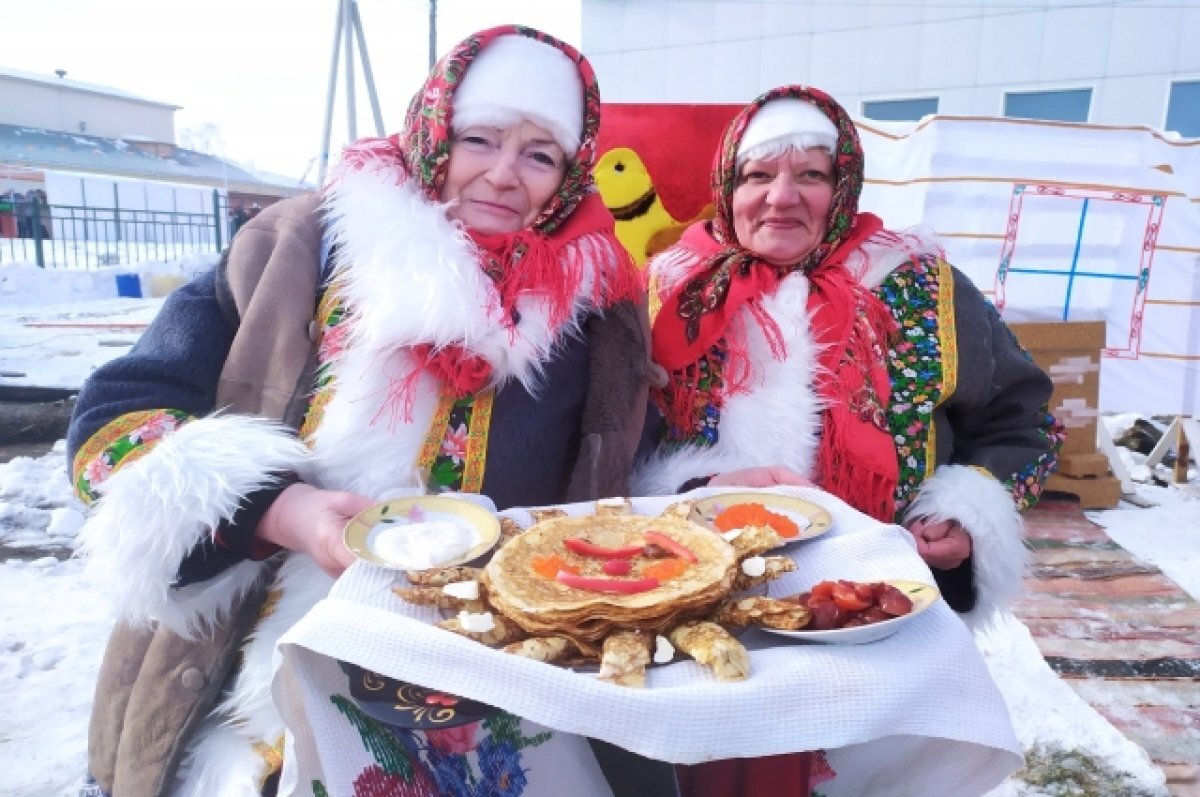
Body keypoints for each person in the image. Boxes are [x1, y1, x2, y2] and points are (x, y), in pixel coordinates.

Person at [68, 26, 667, 797]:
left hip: (484, 685)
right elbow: (113, 427)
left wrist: (701, 483)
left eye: (540, 154)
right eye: (478, 138)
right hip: (248, 669)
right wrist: (285, 511)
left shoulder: (597, 311)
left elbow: (632, 470)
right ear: (432, 130)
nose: (502, 175)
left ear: (571, 174)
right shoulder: (297, 250)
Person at [637, 85, 1064, 796]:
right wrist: (691, 488)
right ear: (726, 186)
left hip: (876, 608)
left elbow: (1025, 423)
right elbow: (616, 447)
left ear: (843, 188)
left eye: (810, 174)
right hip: (705, 606)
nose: (781, 197)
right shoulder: (665, 294)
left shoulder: (922, 287)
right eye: (758, 175)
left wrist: (965, 515)